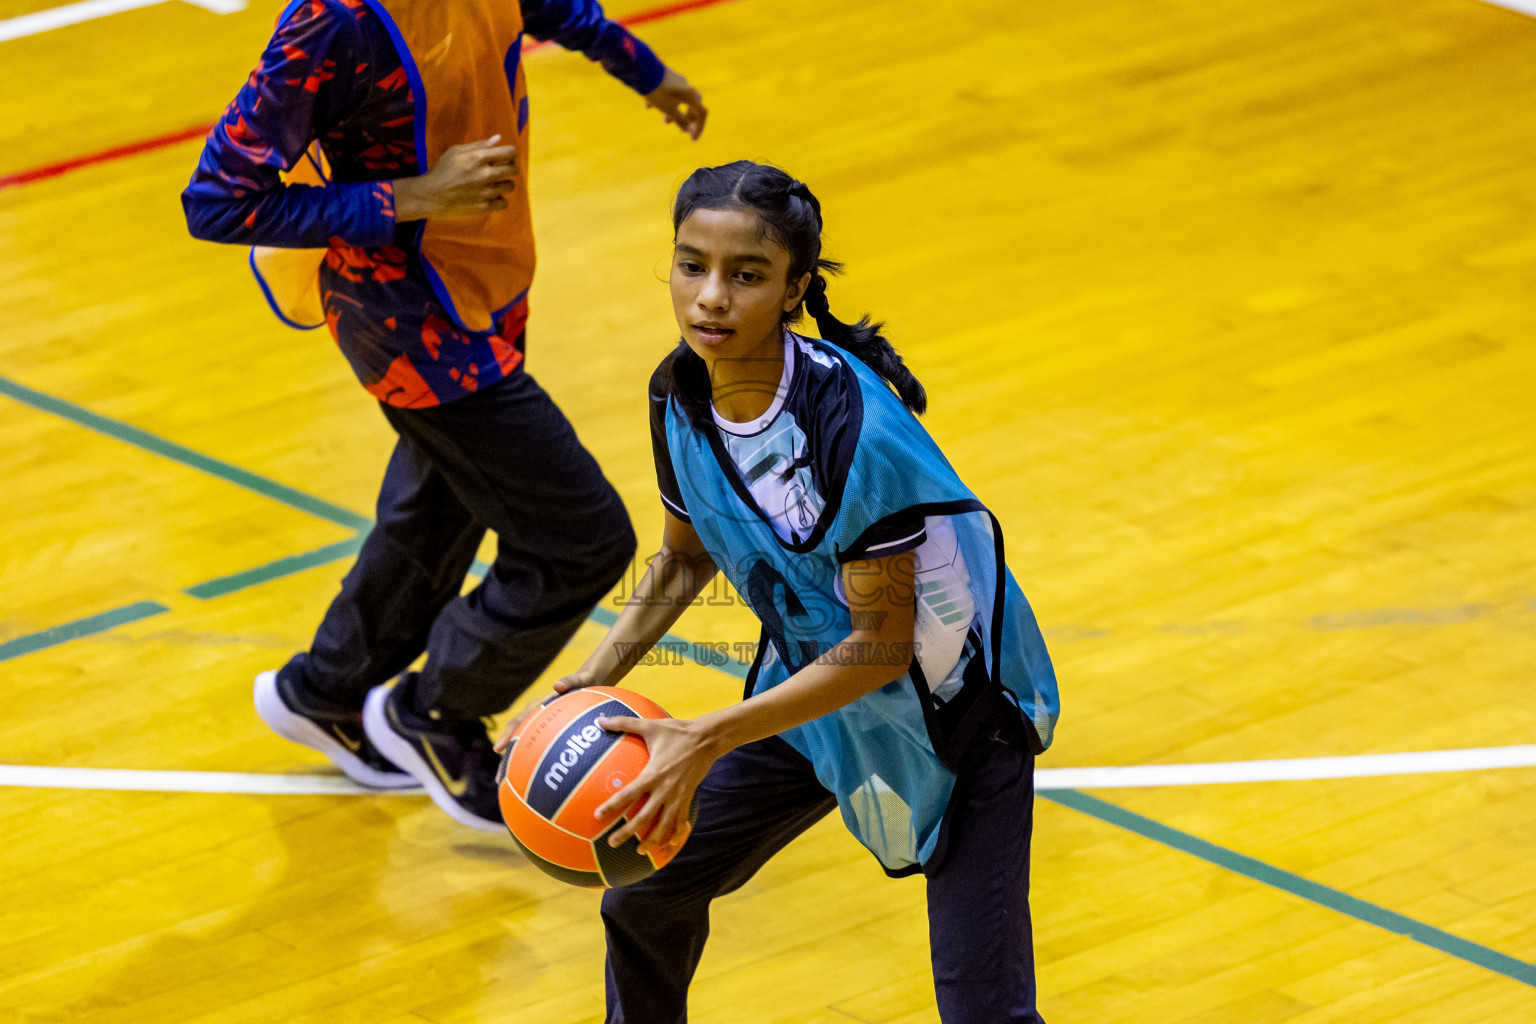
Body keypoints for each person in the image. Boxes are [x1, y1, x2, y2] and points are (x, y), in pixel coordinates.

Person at [499, 161, 1061, 1022]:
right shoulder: (678, 391)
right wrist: (589, 680)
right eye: (692, 266)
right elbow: (685, 559)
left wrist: (705, 738)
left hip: (956, 721)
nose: (710, 298)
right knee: (645, 896)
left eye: (746, 274)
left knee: (984, 1010)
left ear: (796, 287)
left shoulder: (856, 433)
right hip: (811, 702)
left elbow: (879, 648)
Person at [181, 0, 708, 831]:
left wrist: (644, 70)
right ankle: (434, 712)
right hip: (407, 320)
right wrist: (415, 195)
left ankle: (327, 690)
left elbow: (553, 8)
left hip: (487, 280)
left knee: (444, 500)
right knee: (582, 539)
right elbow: (215, 199)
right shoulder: (334, 23)